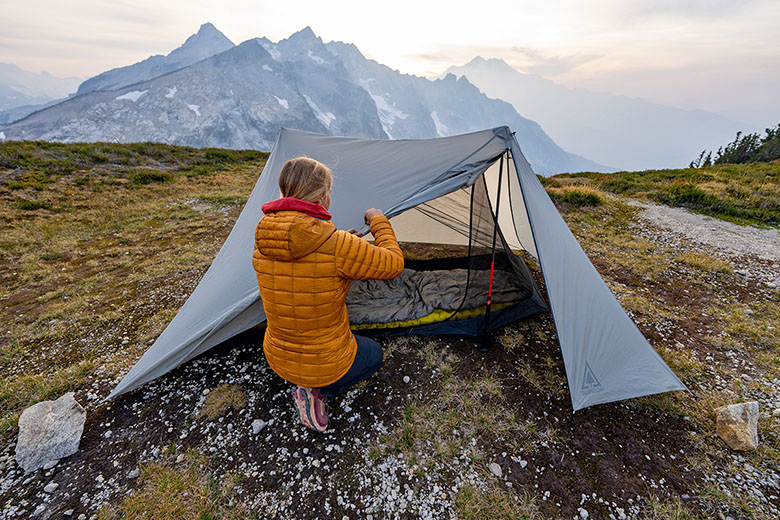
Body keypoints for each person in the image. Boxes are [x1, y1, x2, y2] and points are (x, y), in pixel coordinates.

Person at [252, 157, 404, 432]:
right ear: (323, 196)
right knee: (374, 354)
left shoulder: (264, 235)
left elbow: (303, 262)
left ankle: (304, 383)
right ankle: (317, 392)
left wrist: (346, 241)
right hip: (325, 364)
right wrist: (378, 220)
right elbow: (393, 263)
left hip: (277, 356)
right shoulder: (335, 245)